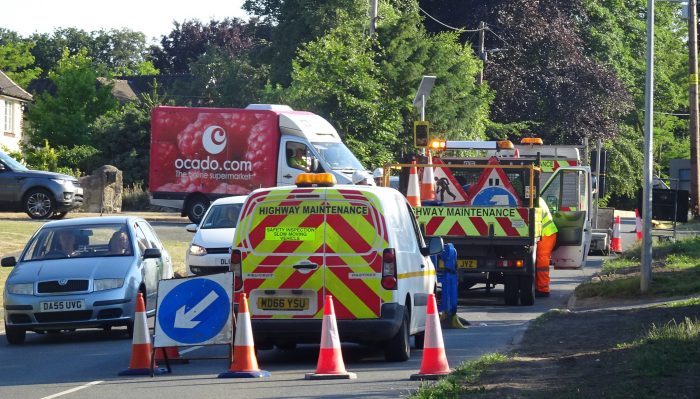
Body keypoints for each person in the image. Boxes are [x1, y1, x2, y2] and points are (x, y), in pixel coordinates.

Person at [536, 196, 558, 297]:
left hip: (546, 234)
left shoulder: (535, 201)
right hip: (547, 234)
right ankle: (539, 286)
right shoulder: (538, 199)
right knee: (540, 261)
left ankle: (543, 289)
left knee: (541, 262)